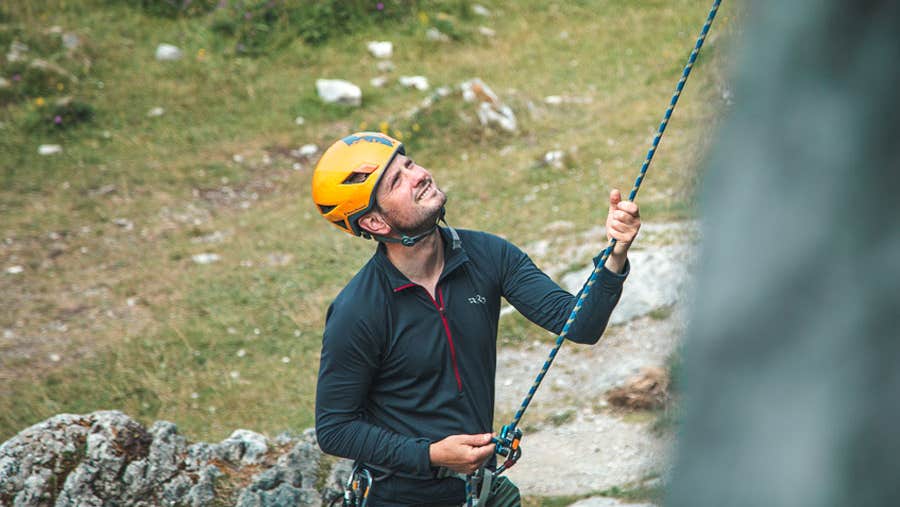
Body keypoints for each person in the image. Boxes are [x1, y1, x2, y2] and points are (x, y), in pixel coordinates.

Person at [312, 132, 641, 506]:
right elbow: (335, 429)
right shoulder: (359, 310)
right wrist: (432, 454)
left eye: (409, 164)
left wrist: (616, 255)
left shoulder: (488, 255)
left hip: (479, 491)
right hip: (400, 497)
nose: (419, 174)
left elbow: (578, 324)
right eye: (396, 181)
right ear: (374, 222)